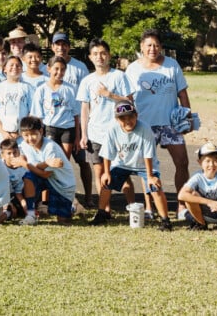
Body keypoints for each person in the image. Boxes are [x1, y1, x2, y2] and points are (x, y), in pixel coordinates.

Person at [125, 29, 194, 214]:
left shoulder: (172, 65)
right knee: (146, 168)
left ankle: (182, 205)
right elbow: (128, 98)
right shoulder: (133, 69)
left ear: (161, 47)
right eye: (148, 45)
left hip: (171, 124)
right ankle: (149, 207)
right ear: (141, 47)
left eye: (156, 45)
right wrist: (129, 123)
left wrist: (187, 116)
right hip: (144, 124)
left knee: (182, 162)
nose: (152, 49)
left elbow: (182, 93)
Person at [90, 102, 172, 231]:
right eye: (123, 118)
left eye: (131, 117)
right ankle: (101, 213)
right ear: (117, 119)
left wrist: (150, 176)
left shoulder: (144, 128)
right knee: (106, 183)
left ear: (137, 116)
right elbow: (107, 153)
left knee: (155, 186)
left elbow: (148, 153)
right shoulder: (112, 129)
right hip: (122, 163)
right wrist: (106, 173)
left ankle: (166, 221)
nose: (128, 121)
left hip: (144, 165)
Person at [77, 39, 136, 209]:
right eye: (95, 54)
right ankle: (105, 208)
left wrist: (109, 94)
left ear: (109, 55)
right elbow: (85, 108)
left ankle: (132, 206)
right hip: (96, 133)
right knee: (99, 171)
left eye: (103, 53)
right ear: (90, 57)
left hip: (117, 132)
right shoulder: (87, 80)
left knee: (122, 173)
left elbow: (130, 101)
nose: (99, 57)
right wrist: (84, 134)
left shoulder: (119, 76)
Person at [16, 116, 77, 225]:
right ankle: (31, 214)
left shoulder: (50, 147)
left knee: (63, 221)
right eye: (26, 135)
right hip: (47, 180)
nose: (30, 138)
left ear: (41, 131)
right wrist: (46, 163)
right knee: (28, 176)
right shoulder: (24, 145)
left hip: (62, 185)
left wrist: (25, 164)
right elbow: (36, 167)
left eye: (33, 134)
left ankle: (73, 208)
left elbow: (45, 174)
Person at [30, 56, 79, 160]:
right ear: (49, 68)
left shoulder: (70, 89)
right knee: (50, 159)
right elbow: (37, 116)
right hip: (50, 128)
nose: (59, 72)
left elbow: (76, 114)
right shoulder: (41, 90)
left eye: (62, 69)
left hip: (67, 129)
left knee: (64, 160)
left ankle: (63, 177)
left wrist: (78, 137)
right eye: (56, 68)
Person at [0, 55, 32, 146]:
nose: (15, 67)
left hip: (22, 136)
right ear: (5, 69)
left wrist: (21, 132)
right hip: (1, 136)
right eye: (11, 65)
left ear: (22, 69)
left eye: (18, 65)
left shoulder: (28, 88)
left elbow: (32, 112)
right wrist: (4, 133)